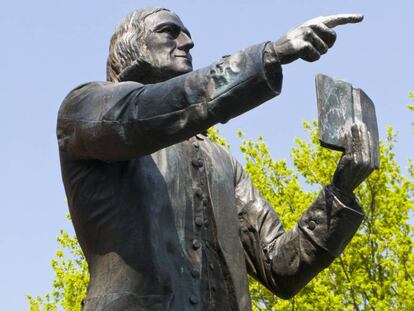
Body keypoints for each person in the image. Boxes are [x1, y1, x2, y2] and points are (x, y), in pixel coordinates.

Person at [57, 7, 375, 311]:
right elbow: (146, 111)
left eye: (187, 34)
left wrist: (340, 192)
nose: (187, 42)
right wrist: (269, 55)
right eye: (170, 32)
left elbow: (280, 266)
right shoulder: (85, 107)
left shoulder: (222, 163)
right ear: (133, 44)